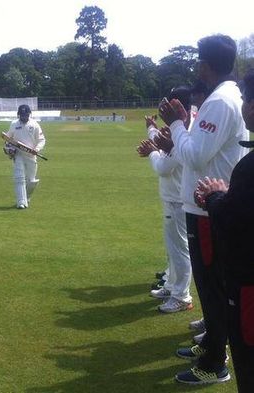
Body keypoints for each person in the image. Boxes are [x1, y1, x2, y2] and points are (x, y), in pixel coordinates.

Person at [158, 34, 248, 385]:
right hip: (204, 205)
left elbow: (195, 155)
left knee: (212, 287)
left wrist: (177, 124)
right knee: (210, 283)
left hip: (207, 208)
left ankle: (214, 364)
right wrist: (178, 136)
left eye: (199, 61)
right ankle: (211, 342)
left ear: (205, 65)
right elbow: (195, 150)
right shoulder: (224, 98)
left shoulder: (219, 101)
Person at [194, 70, 254, 393]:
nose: (242, 105)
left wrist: (216, 196)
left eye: (246, 98)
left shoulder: (247, 170)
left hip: (248, 289)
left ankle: (216, 364)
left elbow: (233, 224)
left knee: (249, 365)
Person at [137, 86, 193, 313]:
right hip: (173, 199)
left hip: (179, 201)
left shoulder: (185, 133)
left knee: (180, 250)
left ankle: (182, 296)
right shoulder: (178, 129)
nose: (165, 109)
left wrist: (152, 151)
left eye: (169, 105)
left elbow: (163, 166)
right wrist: (152, 131)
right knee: (173, 249)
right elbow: (162, 144)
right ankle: (171, 286)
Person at [4, 105, 46, 209]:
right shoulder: (14, 124)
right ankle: (21, 202)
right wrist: (9, 149)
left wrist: (37, 149)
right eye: (22, 115)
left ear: (29, 114)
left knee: (31, 180)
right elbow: (8, 139)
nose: (24, 117)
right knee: (19, 178)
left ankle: (26, 198)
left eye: (26, 115)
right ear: (19, 115)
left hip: (31, 155)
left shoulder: (34, 124)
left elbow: (41, 140)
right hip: (18, 154)